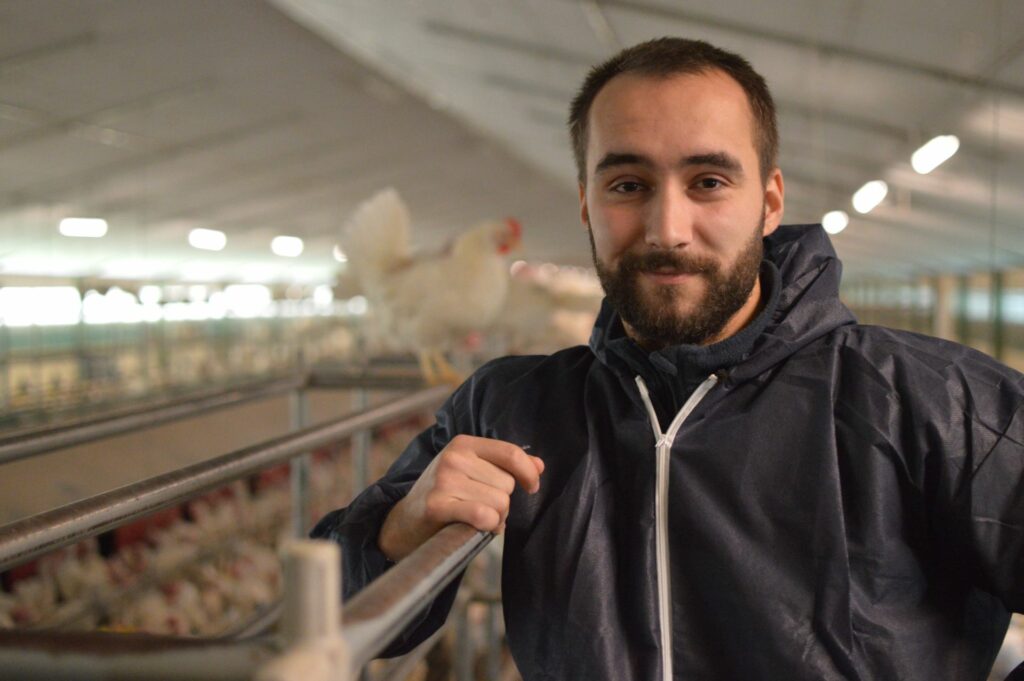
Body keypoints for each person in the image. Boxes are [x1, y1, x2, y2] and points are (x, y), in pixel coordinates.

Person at [312, 37, 1024, 680]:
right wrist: (399, 529)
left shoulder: (931, 401)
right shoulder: (510, 408)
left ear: (770, 201)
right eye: (628, 185)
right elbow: (340, 623)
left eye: (708, 182)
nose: (666, 228)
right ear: (587, 206)